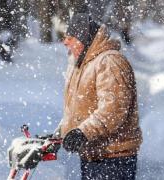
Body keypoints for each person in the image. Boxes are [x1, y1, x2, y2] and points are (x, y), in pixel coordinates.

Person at [55, 13, 143, 180]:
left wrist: (82, 132)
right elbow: (80, 108)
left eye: (70, 37)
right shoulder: (83, 64)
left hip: (113, 158)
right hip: (94, 155)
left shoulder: (109, 61)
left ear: (82, 39)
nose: (65, 42)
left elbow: (114, 110)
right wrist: (63, 133)